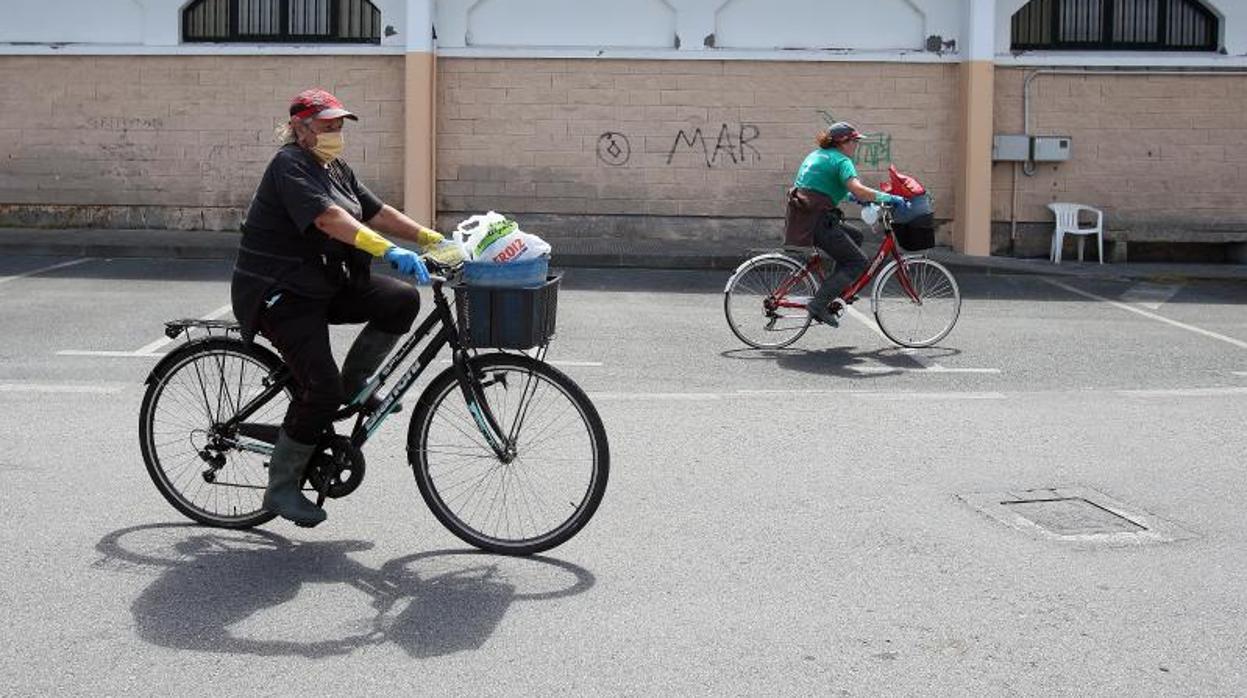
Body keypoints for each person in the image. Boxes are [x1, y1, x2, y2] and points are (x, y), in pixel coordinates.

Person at [231, 87, 455, 527]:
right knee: (320, 388)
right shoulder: (289, 166)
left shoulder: (333, 166)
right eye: (327, 125)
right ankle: (281, 489)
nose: (335, 132)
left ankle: (356, 388)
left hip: (323, 283)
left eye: (339, 125)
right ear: (300, 127)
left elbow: (375, 211)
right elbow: (329, 219)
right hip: (282, 294)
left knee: (400, 298)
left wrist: (431, 238)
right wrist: (389, 252)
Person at [784, 121, 907, 327]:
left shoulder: (816, 155)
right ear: (843, 142)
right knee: (857, 262)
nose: (856, 145)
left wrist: (853, 198)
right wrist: (888, 198)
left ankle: (835, 291)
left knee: (856, 236)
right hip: (818, 220)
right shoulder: (842, 161)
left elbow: (822, 186)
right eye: (854, 141)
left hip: (803, 218)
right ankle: (819, 304)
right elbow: (858, 188)